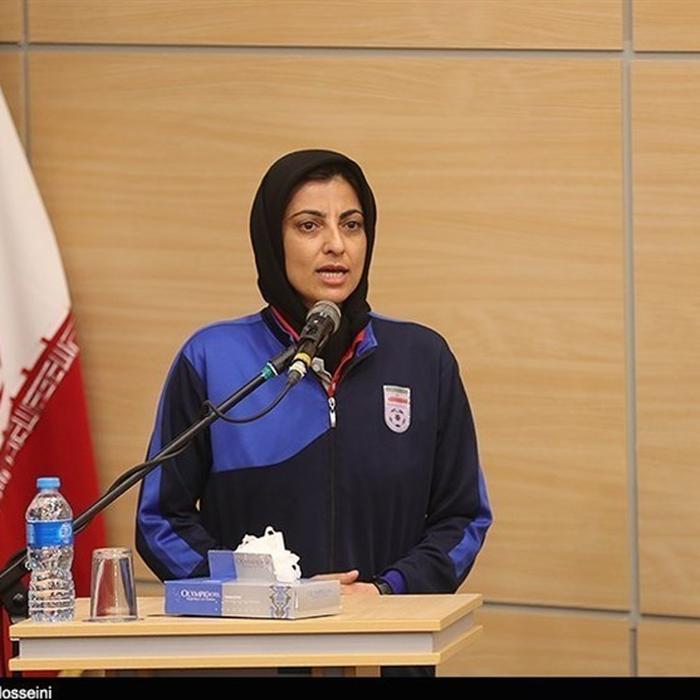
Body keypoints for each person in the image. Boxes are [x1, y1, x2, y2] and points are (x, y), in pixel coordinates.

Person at [136, 149, 492, 675]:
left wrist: (385, 591)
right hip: (252, 658)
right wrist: (267, 596)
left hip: (387, 651)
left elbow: (462, 517)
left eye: (352, 224)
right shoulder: (213, 358)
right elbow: (161, 520)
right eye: (309, 225)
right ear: (271, 239)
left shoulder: (423, 358)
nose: (336, 244)